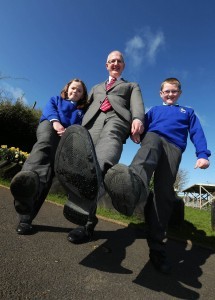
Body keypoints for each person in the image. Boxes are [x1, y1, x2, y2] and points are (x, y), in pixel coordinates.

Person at [104, 77, 211, 273]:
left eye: (174, 91)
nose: (170, 94)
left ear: (179, 93)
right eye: (166, 91)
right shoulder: (153, 110)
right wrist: (136, 132)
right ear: (161, 93)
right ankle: (134, 181)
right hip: (153, 140)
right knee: (152, 140)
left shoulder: (187, 112)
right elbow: (141, 124)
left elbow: (197, 133)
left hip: (174, 149)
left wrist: (202, 154)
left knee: (163, 194)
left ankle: (157, 249)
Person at [55, 50, 145, 243]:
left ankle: (84, 223)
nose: (115, 63)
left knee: (104, 157)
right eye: (111, 61)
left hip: (116, 121)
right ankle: (87, 221)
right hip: (91, 123)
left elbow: (137, 105)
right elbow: (81, 105)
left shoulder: (131, 86)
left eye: (119, 61)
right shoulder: (96, 87)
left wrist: (137, 119)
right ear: (106, 65)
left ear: (123, 65)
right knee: (84, 165)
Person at [10, 78, 88, 234]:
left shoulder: (81, 112)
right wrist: (56, 122)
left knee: (48, 174)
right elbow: (49, 111)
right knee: (44, 145)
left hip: (65, 137)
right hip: (50, 125)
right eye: (73, 88)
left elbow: (79, 128)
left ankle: (26, 219)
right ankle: (27, 179)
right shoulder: (56, 99)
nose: (75, 91)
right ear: (67, 89)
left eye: (79, 90)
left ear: (82, 95)